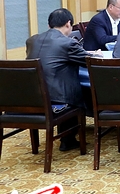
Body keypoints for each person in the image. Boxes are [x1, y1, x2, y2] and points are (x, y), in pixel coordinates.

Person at [25, 8, 90, 151]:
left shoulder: (31, 41)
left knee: (62, 78)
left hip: (31, 99)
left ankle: (67, 138)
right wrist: (96, 54)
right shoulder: (67, 43)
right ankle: (68, 139)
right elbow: (90, 62)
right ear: (68, 24)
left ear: (49, 25)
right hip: (56, 101)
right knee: (78, 90)